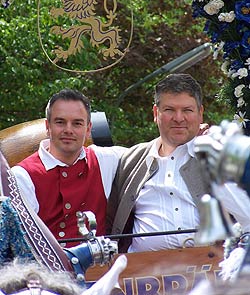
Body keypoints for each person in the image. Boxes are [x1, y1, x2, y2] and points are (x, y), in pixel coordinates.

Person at [106, 73, 250, 253]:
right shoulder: (132, 160)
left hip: (210, 269)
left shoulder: (218, 155)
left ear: (200, 113)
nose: (179, 118)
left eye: (187, 110)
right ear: (155, 113)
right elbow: (111, 224)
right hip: (143, 274)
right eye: (169, 110)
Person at [11, 89, 125, 247]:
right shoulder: (22, 176)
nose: (68, 130)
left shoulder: (104, 159)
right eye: (60, 122)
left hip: (99, 269)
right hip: (47, 270)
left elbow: (153, 154)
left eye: (77, 123)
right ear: (47, 126)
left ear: (88, 128)